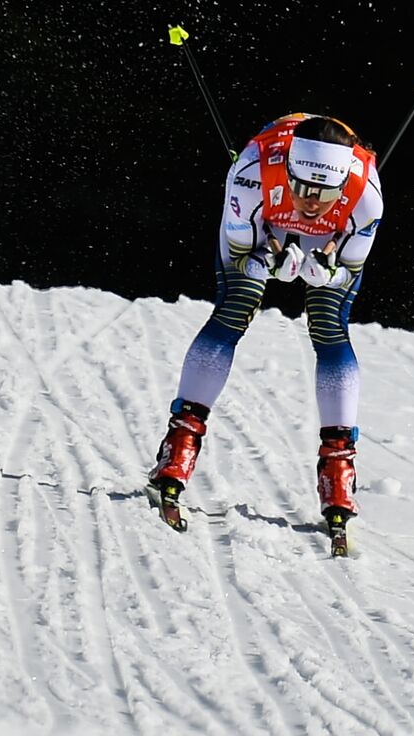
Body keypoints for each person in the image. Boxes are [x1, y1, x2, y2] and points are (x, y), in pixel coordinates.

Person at [146, 112, 383, 529]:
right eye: (303, 187)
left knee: (328, 323)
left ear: (343, 184)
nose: (310, 200)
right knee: (238, 303)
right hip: (265, 218)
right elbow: (241, 253)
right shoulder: (250, 175)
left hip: (323, 233)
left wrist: (328, 272)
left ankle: (338, 466)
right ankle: (180, 442)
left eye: (322, 192)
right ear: (288, 170)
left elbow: (349, 267)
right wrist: (264, 261)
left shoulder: (366, 199)